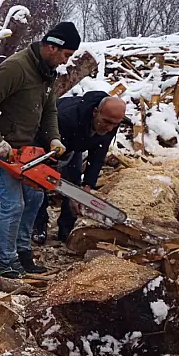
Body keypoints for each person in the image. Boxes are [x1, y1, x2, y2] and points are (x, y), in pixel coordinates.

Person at [0, 22, 81, 279]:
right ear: (52, 46)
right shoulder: (16, 68)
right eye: (66, 55)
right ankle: (6, 262)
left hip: (24, 151)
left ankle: (22, 251)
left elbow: (50, 110)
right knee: (14, 203)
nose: (66, 61)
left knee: (34, 198)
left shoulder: (46, 72)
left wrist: (54, 138)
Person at [32, 92, 125, 243]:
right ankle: (39, 224)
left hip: (75, 145)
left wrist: (87, 185)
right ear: (96, 112)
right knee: (39, 182)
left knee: (74, 182)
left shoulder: (111, 123)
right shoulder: (67, 117)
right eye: (106, 122)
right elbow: (49, 145)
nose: (110, 128)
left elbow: (98, 154)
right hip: (47, 141)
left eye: (114, 124)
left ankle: (66, 228)